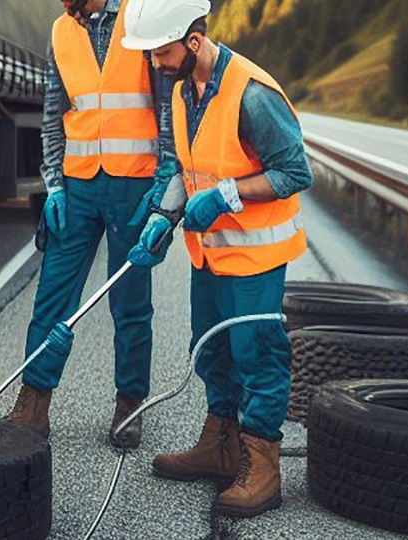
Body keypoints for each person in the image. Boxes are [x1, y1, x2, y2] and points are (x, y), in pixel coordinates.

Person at [121, 0, 313, 517]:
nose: (155, 64)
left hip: (255, 258)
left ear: (192, 41)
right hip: (209, 256)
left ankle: (263, 467)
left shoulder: (252, 93)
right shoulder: (182, 91)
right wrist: (163, 214)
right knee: (211, 351)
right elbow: (179, 166)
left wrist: (229, 194)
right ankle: (220, 445)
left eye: (161, 53)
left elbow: (296, 172)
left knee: (258, 354)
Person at [9, 0, 179, 449]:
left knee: (130, 303)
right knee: (52, 298)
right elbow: (52, 115)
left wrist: (165, 180)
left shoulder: (140, 19)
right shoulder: (61, 31)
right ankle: (34, 400)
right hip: (78, 186)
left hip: (134, 184)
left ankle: (130, 403)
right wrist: (54, 186)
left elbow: (167, 107)